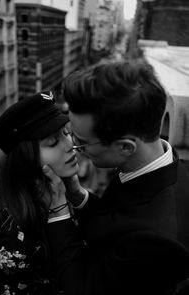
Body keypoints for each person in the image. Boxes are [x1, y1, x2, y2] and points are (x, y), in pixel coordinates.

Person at [43, 60, 189, 295]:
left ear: (125, 147)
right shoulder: (155, 166)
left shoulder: (156, 241)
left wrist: (58, 210)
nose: (73, 147)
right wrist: (78, 195)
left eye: (81, 141)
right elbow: (115, 222)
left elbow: (83, 288)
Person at [0, 91, 79, 295]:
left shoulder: (65, 190)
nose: (70, 145)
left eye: (66, 133)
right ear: (27, 159)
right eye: (53, 142)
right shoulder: (16, 231)